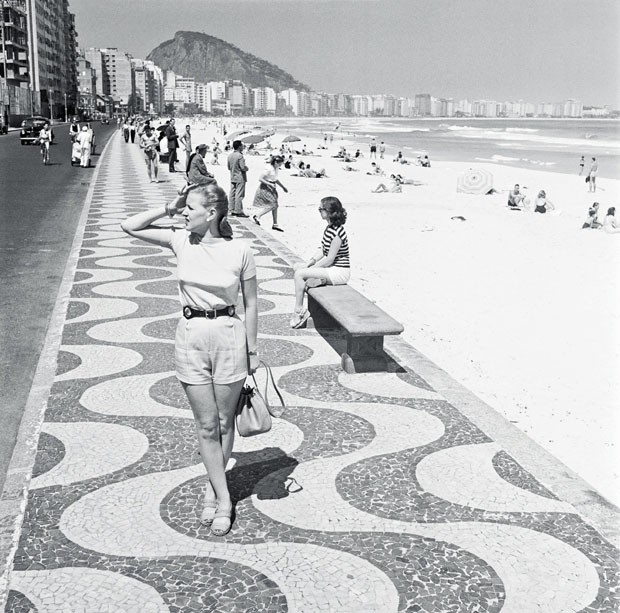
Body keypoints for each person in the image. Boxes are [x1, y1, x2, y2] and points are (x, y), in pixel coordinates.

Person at [120, 183, 259, 536]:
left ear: (211, 213)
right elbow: (130, 226)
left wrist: (253, 351)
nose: (184, 213)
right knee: (206, 425)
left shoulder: (240, 250)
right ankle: (224, 495)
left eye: (190, 208)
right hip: (190, 337)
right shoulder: (181, 240)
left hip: (229, 336)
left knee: (226, 422)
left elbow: (252, 304)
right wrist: (170, 206)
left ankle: (217, 492)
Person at [290, 197, 350, 328]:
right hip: (331, 269)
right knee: (297, 268)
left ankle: (299, 310)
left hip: (339, 272)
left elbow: (329, 259)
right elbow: (323, 249)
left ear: (329, 211)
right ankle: (320, 280)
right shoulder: (330, 228)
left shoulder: (337, 232)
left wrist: (311, 270)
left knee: (300, 275)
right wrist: (309, 263)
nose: (319, 211)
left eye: (321, 209)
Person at [252, 155, 288, 232]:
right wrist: (270, 184)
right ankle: (257, 216)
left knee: (275, 205)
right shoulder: (268, 168)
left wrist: (283, 187)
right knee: (273, 205)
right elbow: (260, 179)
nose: (280, 165)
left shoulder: (276, 168)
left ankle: (275, 224)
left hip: (272, 187)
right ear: (275, 162)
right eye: (279, 164)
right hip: (266, 188)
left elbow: (275, 179)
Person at [227, 140, 249, 217]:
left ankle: (231, 209)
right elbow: (242, 167)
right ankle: (238, 210)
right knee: (239, 194)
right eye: (242, 145)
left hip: (233, 176)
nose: (243, 147)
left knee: (232, 193)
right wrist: (247, 168)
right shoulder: (240, 156)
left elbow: (229, 167)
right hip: (240, 177)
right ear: (239, 146)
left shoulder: (230, 156)